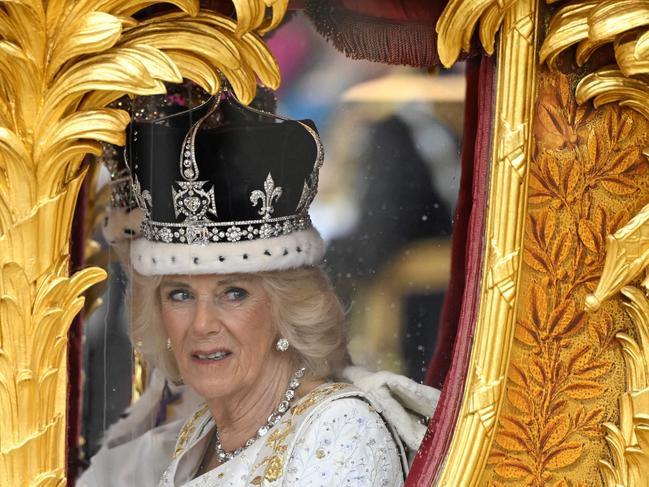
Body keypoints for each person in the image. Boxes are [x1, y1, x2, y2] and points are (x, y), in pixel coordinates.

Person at [79, 85, 438, 486]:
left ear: (290, 309)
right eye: (179, 294)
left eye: (234, 293)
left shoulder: (341, 429)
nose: (201, 324)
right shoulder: (199, 433)